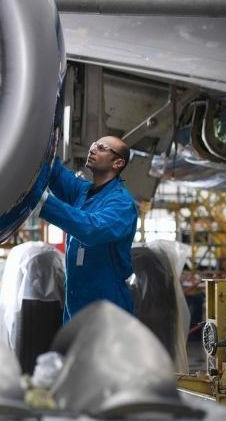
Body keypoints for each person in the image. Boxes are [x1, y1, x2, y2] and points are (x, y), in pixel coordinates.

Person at [39, 136, 138, 322]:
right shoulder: (83, 191)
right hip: (75, 306)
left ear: (118, 163)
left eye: (102, 148)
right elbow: (55, 174)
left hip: (108, 309)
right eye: (94, 145)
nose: (92, 149)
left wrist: (42, 202)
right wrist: (43, 143)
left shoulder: (122, 203)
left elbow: (92, 229)